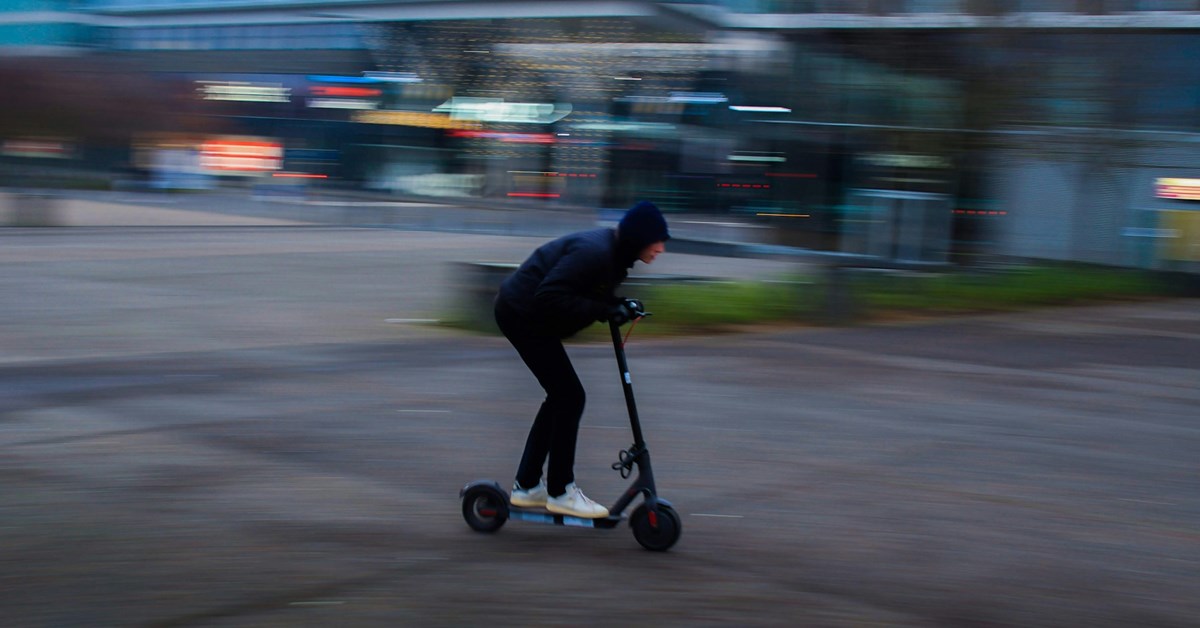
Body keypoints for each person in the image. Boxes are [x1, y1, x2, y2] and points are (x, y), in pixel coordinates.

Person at [493, 201, 670, 518]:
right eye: (657, 240)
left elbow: (586, 291)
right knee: (570, 397)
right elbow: (550, 295)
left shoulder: (614, 255)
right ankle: (561, 491)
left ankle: (528, 485)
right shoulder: (595, 252)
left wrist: (619, 304)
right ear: (639, 237)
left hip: (528, 314)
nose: (661, 248)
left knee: (563, 396)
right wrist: (606, 310)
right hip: (520, 313)